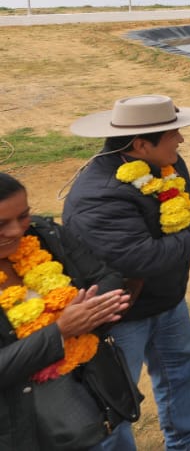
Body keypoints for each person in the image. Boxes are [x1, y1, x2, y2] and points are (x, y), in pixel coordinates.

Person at [65, 94, 190, 450]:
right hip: (121, 313)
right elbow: (145, 259)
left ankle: (188, 439)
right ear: (141, 145)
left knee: (179, 367)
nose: (181, 139)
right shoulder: (100, 196)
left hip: (165, 296)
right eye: (173, 134)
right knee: (115, 397)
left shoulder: (167, 163)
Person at [0, 173, 136, 450]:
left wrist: (87, 311)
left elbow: (105, 276)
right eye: (1, 224)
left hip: (101, 400)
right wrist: (60, 331)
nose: (16, 231)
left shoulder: (44, 234)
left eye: (23, 216)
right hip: (39, 430)